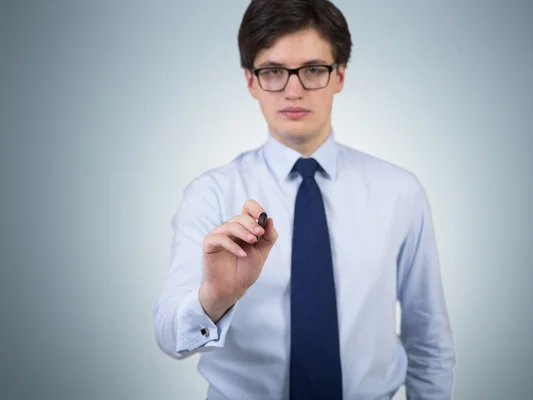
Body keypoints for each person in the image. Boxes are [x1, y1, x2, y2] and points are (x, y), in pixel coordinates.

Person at [153, 0, 456, 399]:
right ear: (250, 81)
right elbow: (170, 337)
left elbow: (429, 339)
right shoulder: (211, 195)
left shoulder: (401, 192)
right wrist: (217, 297)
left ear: (339, 76)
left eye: (313, 70)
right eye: (274, 72)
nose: (293, 90)